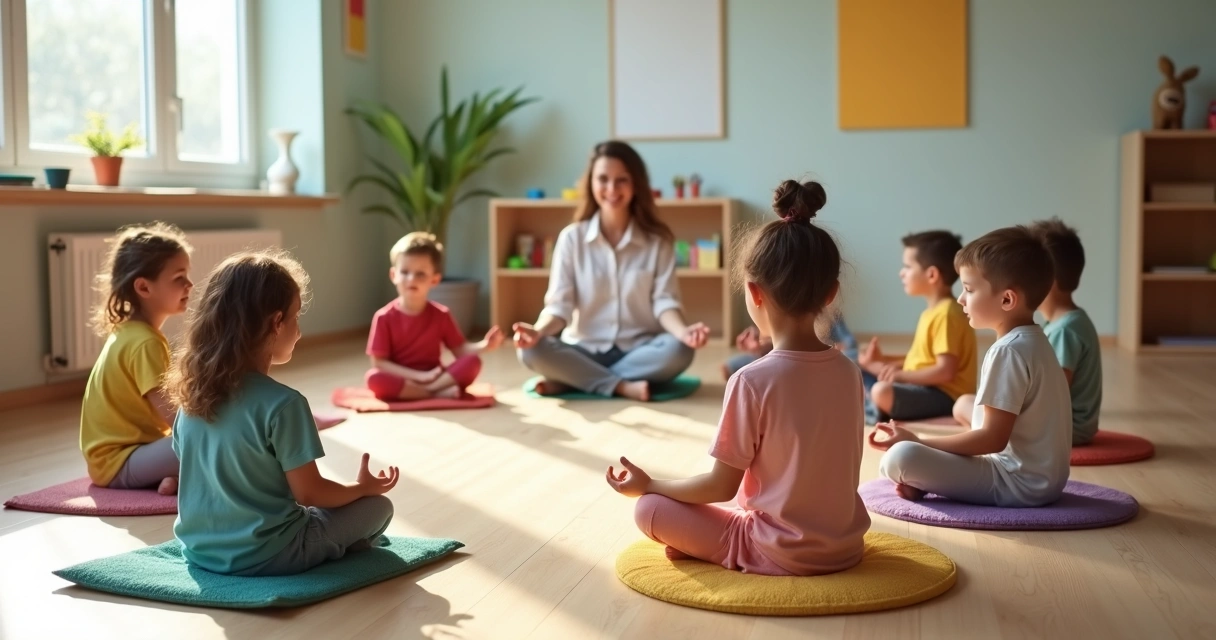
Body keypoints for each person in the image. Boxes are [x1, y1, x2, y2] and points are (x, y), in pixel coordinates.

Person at [606, 179, 870, 575]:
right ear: (830, 293)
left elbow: (720, 487)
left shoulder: (751, 381)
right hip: (845, 546)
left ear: (754, 292)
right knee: (733, 502)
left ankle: (708, 546)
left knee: (650, 510)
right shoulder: (849, 372)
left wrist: (651, 484)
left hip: (778, 550)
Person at [168, 250, 398, 576]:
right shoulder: (285, 404)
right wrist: (360, 488)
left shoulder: (190, 396)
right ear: (276, 323)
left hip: (199, 552)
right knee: (378, 508)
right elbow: (310, 493)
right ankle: (340, 549)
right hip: (272, 553)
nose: (299, 331)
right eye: (296, 317)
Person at [871, 226, 1072, 507]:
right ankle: (929, 477)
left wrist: (919, 441)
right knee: (965, 402)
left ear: (1007, 299)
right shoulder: (1036, 340)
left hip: (1017, 483)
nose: (960, 299)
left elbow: (992, 441)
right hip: (1045, 479)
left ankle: (923, 478)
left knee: (900, 457)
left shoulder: (1007, 352)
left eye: (968, 289)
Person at [514, 140, 709, 401]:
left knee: (680, 350)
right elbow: (559, 307)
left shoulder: (657, 242)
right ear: (590, 183)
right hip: (583, 347)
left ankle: (575, 380)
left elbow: (665, 303)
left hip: (639, 351)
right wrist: (537, 332)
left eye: (622, 180)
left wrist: (684, 333)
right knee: (531, 351)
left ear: (636, 184)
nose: (611, 189)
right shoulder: (572, 239)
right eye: (602, 179)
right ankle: (619, 386)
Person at [953, 217, 1101, 446]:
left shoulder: (1064, 330)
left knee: (964, 406)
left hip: (1066, 428)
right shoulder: (1067, 323)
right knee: (966, 404)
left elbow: (1052, 394)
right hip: (1068, 425)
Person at [79, 222, 193, 495]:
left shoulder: (130, 332)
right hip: (121, 462)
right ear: (143, 287)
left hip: (120, 458)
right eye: (179, 277)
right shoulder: (145, 343)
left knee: (207, 438)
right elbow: (175, 418)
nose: (190, 284)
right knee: (210, 441)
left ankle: (170, 479)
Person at [365, 232, 503, 401]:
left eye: (420, 274)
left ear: (435, 279)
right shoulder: (383, 317)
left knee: (472, 362)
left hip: (436, 377)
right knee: (374, 379)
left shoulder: (441, 315)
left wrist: (485, 345)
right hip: (404, 379)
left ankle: (428, 391)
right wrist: (419, 376)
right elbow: (379, 363)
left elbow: (461, 351)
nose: (411, 279)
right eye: (405, 272)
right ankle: (435, 393)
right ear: (394, 275)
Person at [859, 231, 977, 423]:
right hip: (928, 390)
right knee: (863, 376)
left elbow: (945, 371)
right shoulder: (932, 313)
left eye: (907, 266)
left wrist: (900, 376)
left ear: (931, 274)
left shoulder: (947, 313)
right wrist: (884, 362)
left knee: (881, 390)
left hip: (945, 396)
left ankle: (942, 419)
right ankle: (895, 416)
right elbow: (922, 361)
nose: (901, 272)